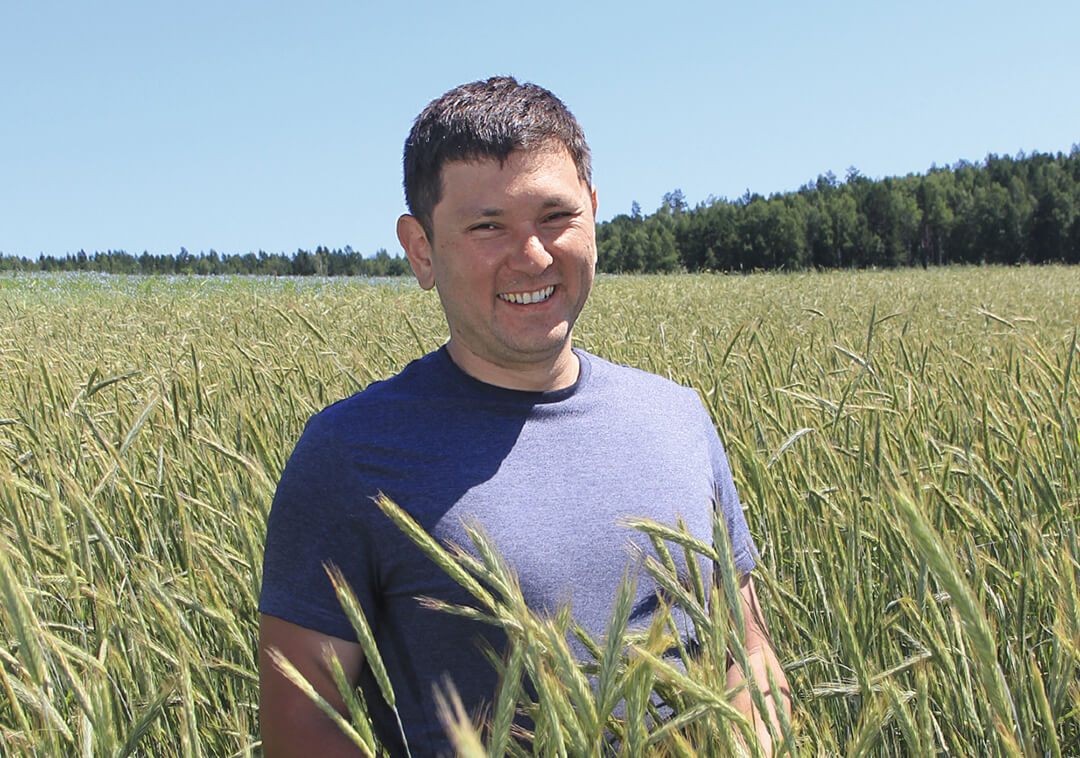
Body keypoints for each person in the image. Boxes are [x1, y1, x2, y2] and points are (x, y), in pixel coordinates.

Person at [258, 76, 790, 757]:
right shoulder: (350, 452)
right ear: (420, 249)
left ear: (594, 214)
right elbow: (303, 729)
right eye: (488, 226)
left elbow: (747, 653)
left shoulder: (678, 418)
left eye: (555, 216)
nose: (532, 254)